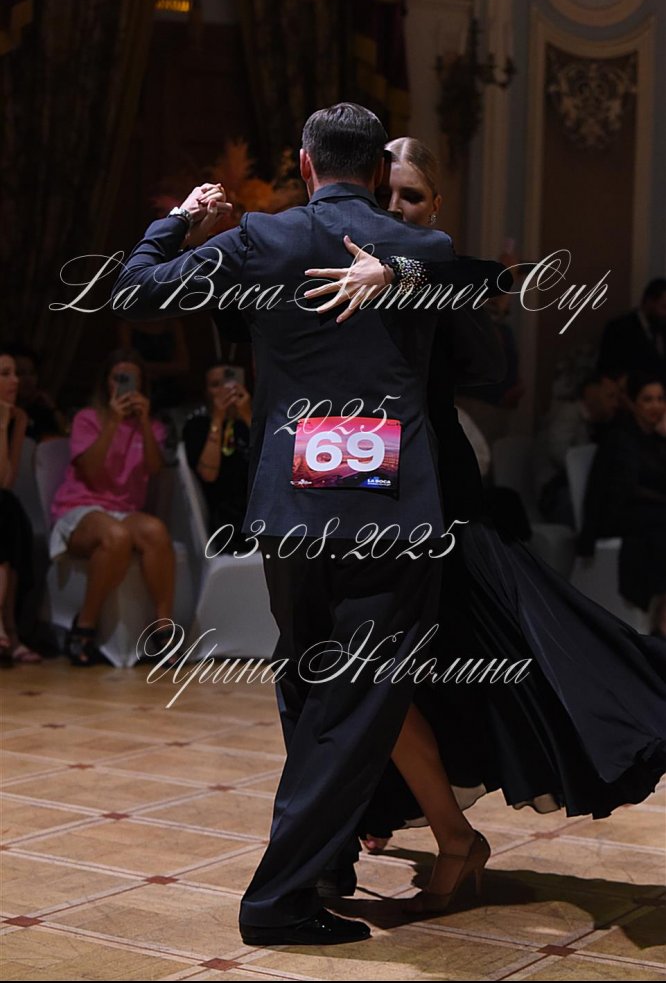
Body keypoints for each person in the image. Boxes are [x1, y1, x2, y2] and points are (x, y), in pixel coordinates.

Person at [112, 102, 511, 945]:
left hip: (293, 506)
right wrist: (404, 276)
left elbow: (133, 290)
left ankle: (325, 869)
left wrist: (179, 220)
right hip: (389, 513)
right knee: (358, 703)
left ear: (303, 162)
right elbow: (484, 324)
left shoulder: (262, 240)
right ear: (377, 171)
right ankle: (280, 897)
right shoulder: (419, 248)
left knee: (306, 687)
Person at [303, 137, 666, 889]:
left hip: (437, 496)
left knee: (490, 653)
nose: (394, 207)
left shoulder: (435, 266)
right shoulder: (332, 259)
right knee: (376, 666)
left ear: (435, 207)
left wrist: (423, 280)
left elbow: (493, 371)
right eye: (385, 192)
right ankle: (407, 817)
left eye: (410, 196)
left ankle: (450, 830)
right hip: (358, 491)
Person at [49, 349, 175, 665]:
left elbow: (155, 469)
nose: (124, 384)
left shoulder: (152, 425)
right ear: (106, 382)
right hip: (81, 507)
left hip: (124, 509)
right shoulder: (87, 419)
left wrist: (143, 423)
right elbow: (90, 470)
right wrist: (113, 423)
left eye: (131, 379)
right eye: (118, 378)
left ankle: (162, 628)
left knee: (156, 531)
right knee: (116, 536)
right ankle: (85, 625)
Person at [577, 371, 666, 637]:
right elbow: (622, 490)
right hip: (618, 514)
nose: (656, 405)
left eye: (661, 399)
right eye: (647, 399)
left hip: (648, 513)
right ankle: (662, 619)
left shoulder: (656, 438)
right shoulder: (621, 437)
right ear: (633, 403)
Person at [534, 372, 621, 526]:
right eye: (610, 396)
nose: (616, 404)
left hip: (572, 488)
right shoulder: (569, 414)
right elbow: (558, 453)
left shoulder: (595, 423)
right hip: (555, 493)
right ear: (591, 394)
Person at [0, 348, 41, 665]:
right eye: (5, 374)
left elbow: (5, 480)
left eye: (15, 373)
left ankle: (6, 628)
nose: (16, 380)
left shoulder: (18, 418)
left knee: (7, 509)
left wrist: (3, 426)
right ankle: (8, 631)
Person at [182, 363, 252, 549]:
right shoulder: (197, 426)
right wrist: (218, 419)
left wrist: (247, 415)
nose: (224, 389)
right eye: (215, 385)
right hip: (227, 521)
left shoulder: (256, 421)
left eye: (229, 382)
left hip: (264, 512)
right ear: (206, 392)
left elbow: (277, 467)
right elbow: (208, 474)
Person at [597, 278, 666, 386]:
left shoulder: (661, 328)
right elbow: (608, 369)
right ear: (649, 302)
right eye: (664, 307)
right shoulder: (619, 328)